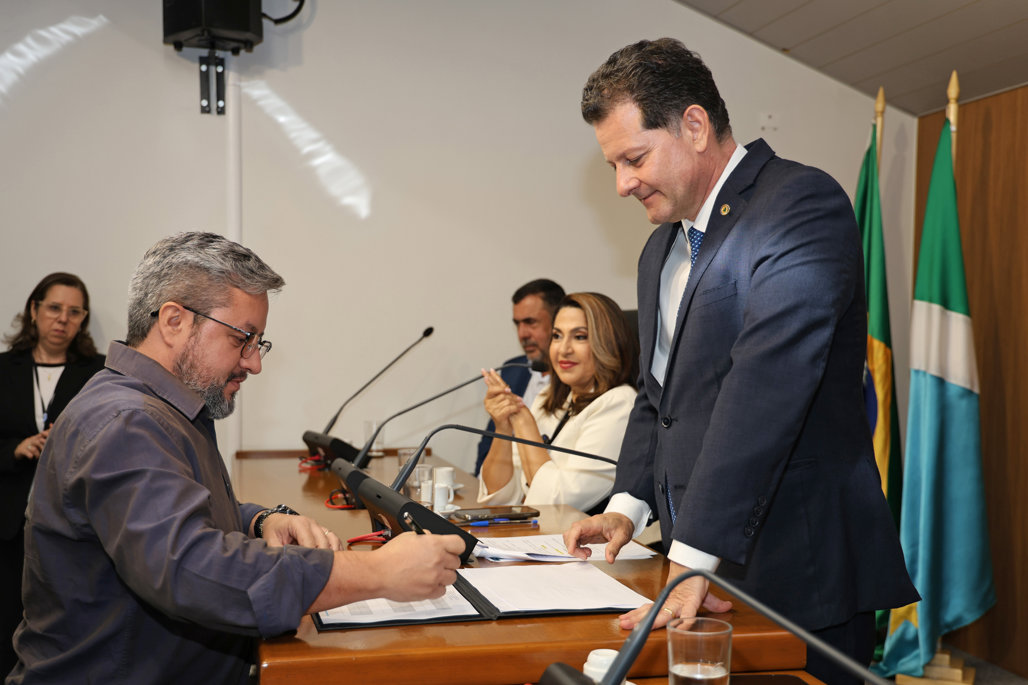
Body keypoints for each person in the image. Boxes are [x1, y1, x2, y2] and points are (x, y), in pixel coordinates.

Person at [562, 39, 918, 684]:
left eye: (634, 159)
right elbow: (657, 399)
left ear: (695, 126)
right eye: (614, 165)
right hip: (695, 564)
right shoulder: (660, 250)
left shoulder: (799, 205)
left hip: (797, 569)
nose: (622, 185)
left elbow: (766, 387)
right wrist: (628, 505)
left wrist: (694, 555)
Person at [7, 233, 463, 685]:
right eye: (242, 338)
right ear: (173, 321)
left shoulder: (160, 407)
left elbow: (170, 507)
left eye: (257, 342)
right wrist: (377, 572)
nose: (254, 363)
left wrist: (257, 522)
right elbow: (191, 570)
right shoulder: (126, 421)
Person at [0, 273, 106, 677]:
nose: (63, 319)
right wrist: (16, 448)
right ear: (34, 310)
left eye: (74, 312)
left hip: (71, 524)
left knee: (64, 625)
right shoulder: (3, 369)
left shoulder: (99, 373)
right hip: (8, 524)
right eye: (54, 308)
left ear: (83, 320)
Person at [478, 292, 638, 514]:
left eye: (579, 337)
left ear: (608, 343)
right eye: (557, 336)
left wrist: (523, 423)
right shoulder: (549, 397)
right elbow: (497, 499)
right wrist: (503, 426)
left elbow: (557, 504)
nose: (564, 349)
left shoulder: (620, 403)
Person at [474, 278, 565, 475]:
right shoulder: (513, 369)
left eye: (531, 322)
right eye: (517, 324)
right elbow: (489, 442)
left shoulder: (575, 381)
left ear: (558, 322)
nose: (522, 334)